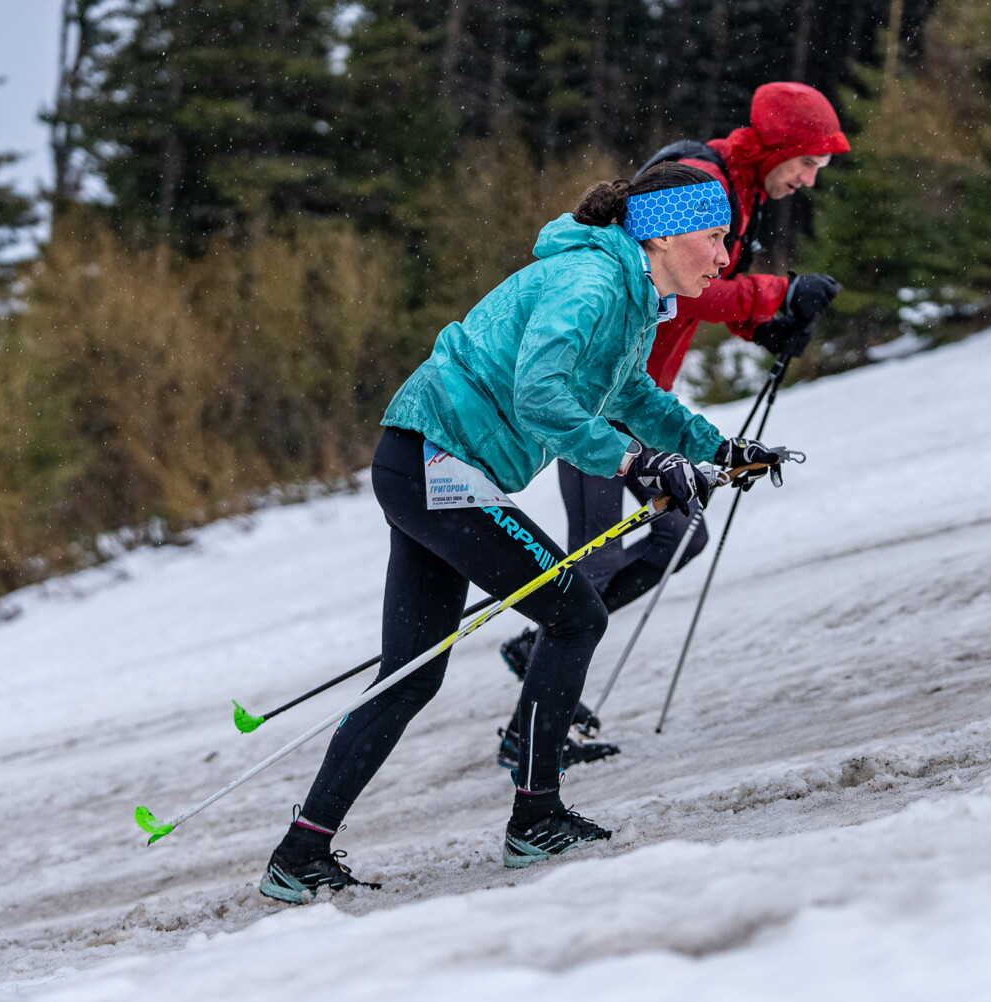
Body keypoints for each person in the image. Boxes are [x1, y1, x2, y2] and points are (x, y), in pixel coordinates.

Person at [258, 162, 794, 902]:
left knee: (413, 673)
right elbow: (539, 397)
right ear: (667, 234)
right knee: (575, 614)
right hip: (438, 466)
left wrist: (717, 448)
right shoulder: (593, 283)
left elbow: (630, 393)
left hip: (426, 462)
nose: (725, 254)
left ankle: (299, 856)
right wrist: (641, 460)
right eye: (715, 236)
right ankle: (535, 818)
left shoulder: (631, 294)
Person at [495, 82, 850, 764]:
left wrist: (764, 328)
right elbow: (682, 288)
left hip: (638, 397)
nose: (807, 180)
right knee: (595, 557)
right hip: (597, 398)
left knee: (679, 533)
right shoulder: (706, 179)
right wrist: (776, 292)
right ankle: (529, 735)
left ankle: (538, 648)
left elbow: (691, 294)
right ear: (778, 148)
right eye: (806, 163)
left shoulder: (739, 193)